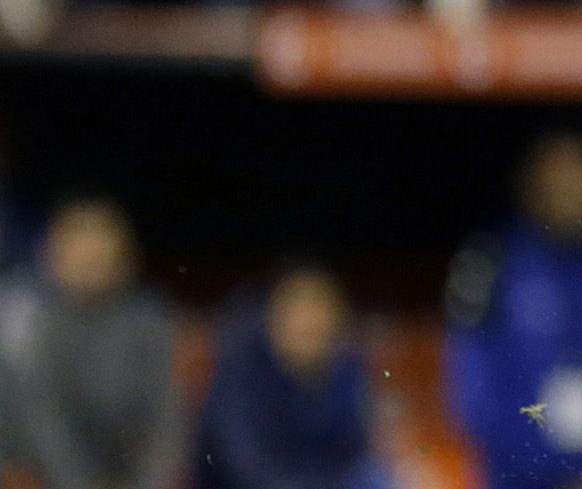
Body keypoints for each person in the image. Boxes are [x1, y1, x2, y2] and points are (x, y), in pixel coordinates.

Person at [442, 134, 582, 489]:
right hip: (521, 481)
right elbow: (474, 392)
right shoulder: (487, 262)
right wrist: (553, 473)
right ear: (532, 186)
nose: (574, 194)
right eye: (561, 183)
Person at [0, 199, 184, 489]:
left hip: (122, 479)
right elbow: (43, 426)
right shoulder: (23, 318)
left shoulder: (150, 321)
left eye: (101, 259)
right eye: (79, 258)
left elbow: (166, 420)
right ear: (50, 255)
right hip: (34, 474)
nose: (90, 267)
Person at [194, 265, 383, 489]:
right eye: (300, 313)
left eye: (321, 315)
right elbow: (249, 470)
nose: (312, 323)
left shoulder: (347, 373)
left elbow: (358, 455)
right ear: (275, 314)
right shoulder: (237, 377)